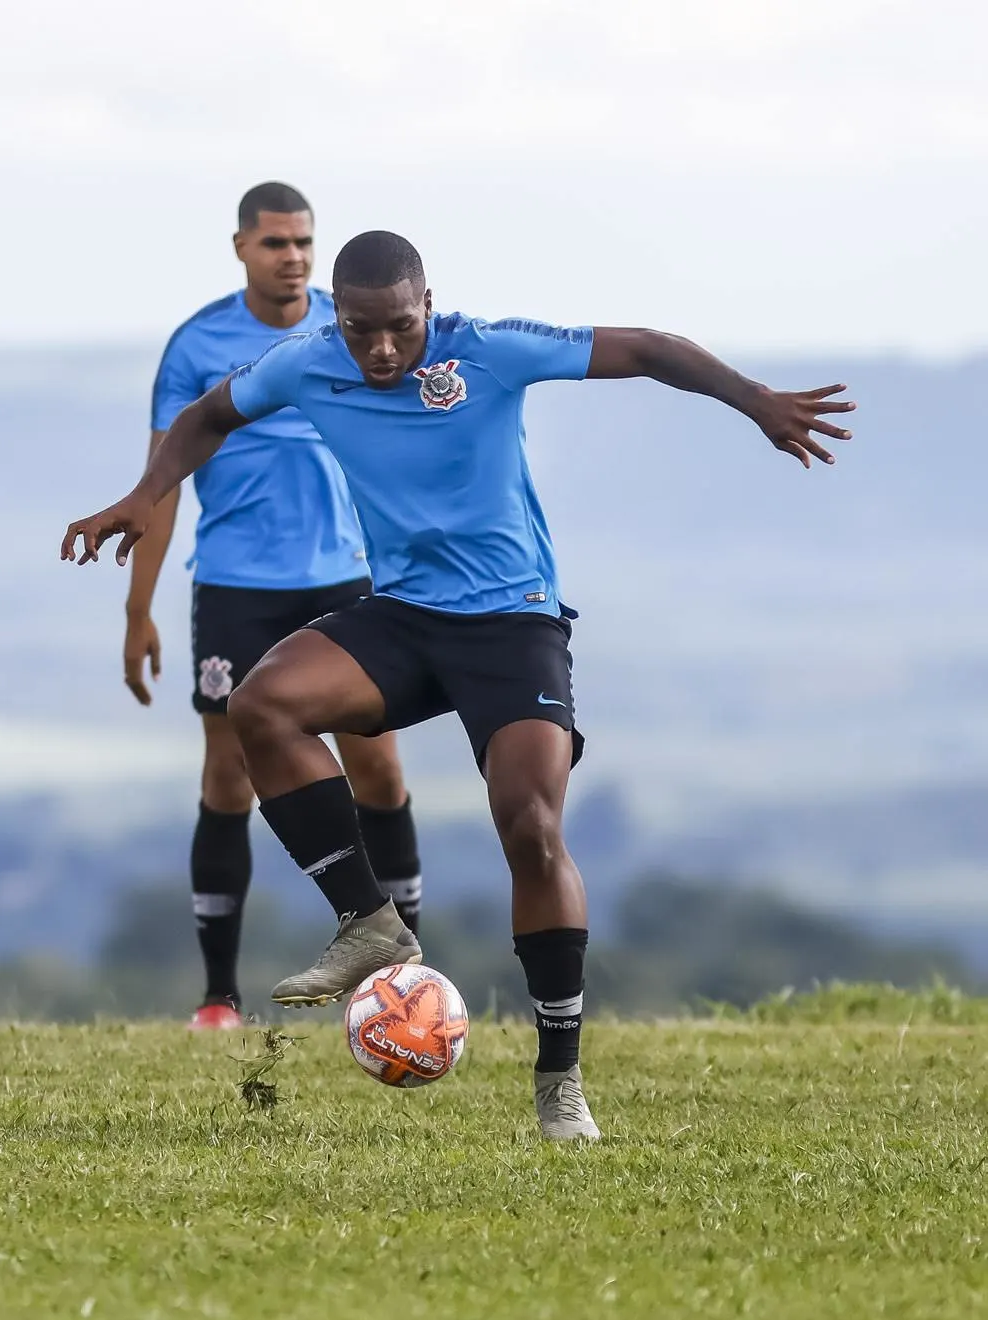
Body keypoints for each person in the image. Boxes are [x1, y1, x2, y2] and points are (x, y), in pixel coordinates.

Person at [64, 230, 851, 1140]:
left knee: (531, 825)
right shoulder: (310, 363)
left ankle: (559, 1078)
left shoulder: (489, 347)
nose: (383, 350)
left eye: (400, 327)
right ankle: (370, 921)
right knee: (261, 703)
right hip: (402, 616)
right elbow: (207, 415)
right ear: (340, 319)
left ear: (429, 303)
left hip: (514, 622)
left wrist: (754, 401)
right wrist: (145, 491)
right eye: (362, 331)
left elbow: (645, 348)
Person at [128, 183, 424, 1032]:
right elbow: (163, 481)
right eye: (274, 243)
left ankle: (409, 971)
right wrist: (137, 610)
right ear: (241, 249)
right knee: (228, 776)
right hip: (235, 588)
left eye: (303, 241)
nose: (292, 256)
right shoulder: (198, 344)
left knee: (380, 768)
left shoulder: (358, 326)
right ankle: (218, 996)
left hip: (346, 583)